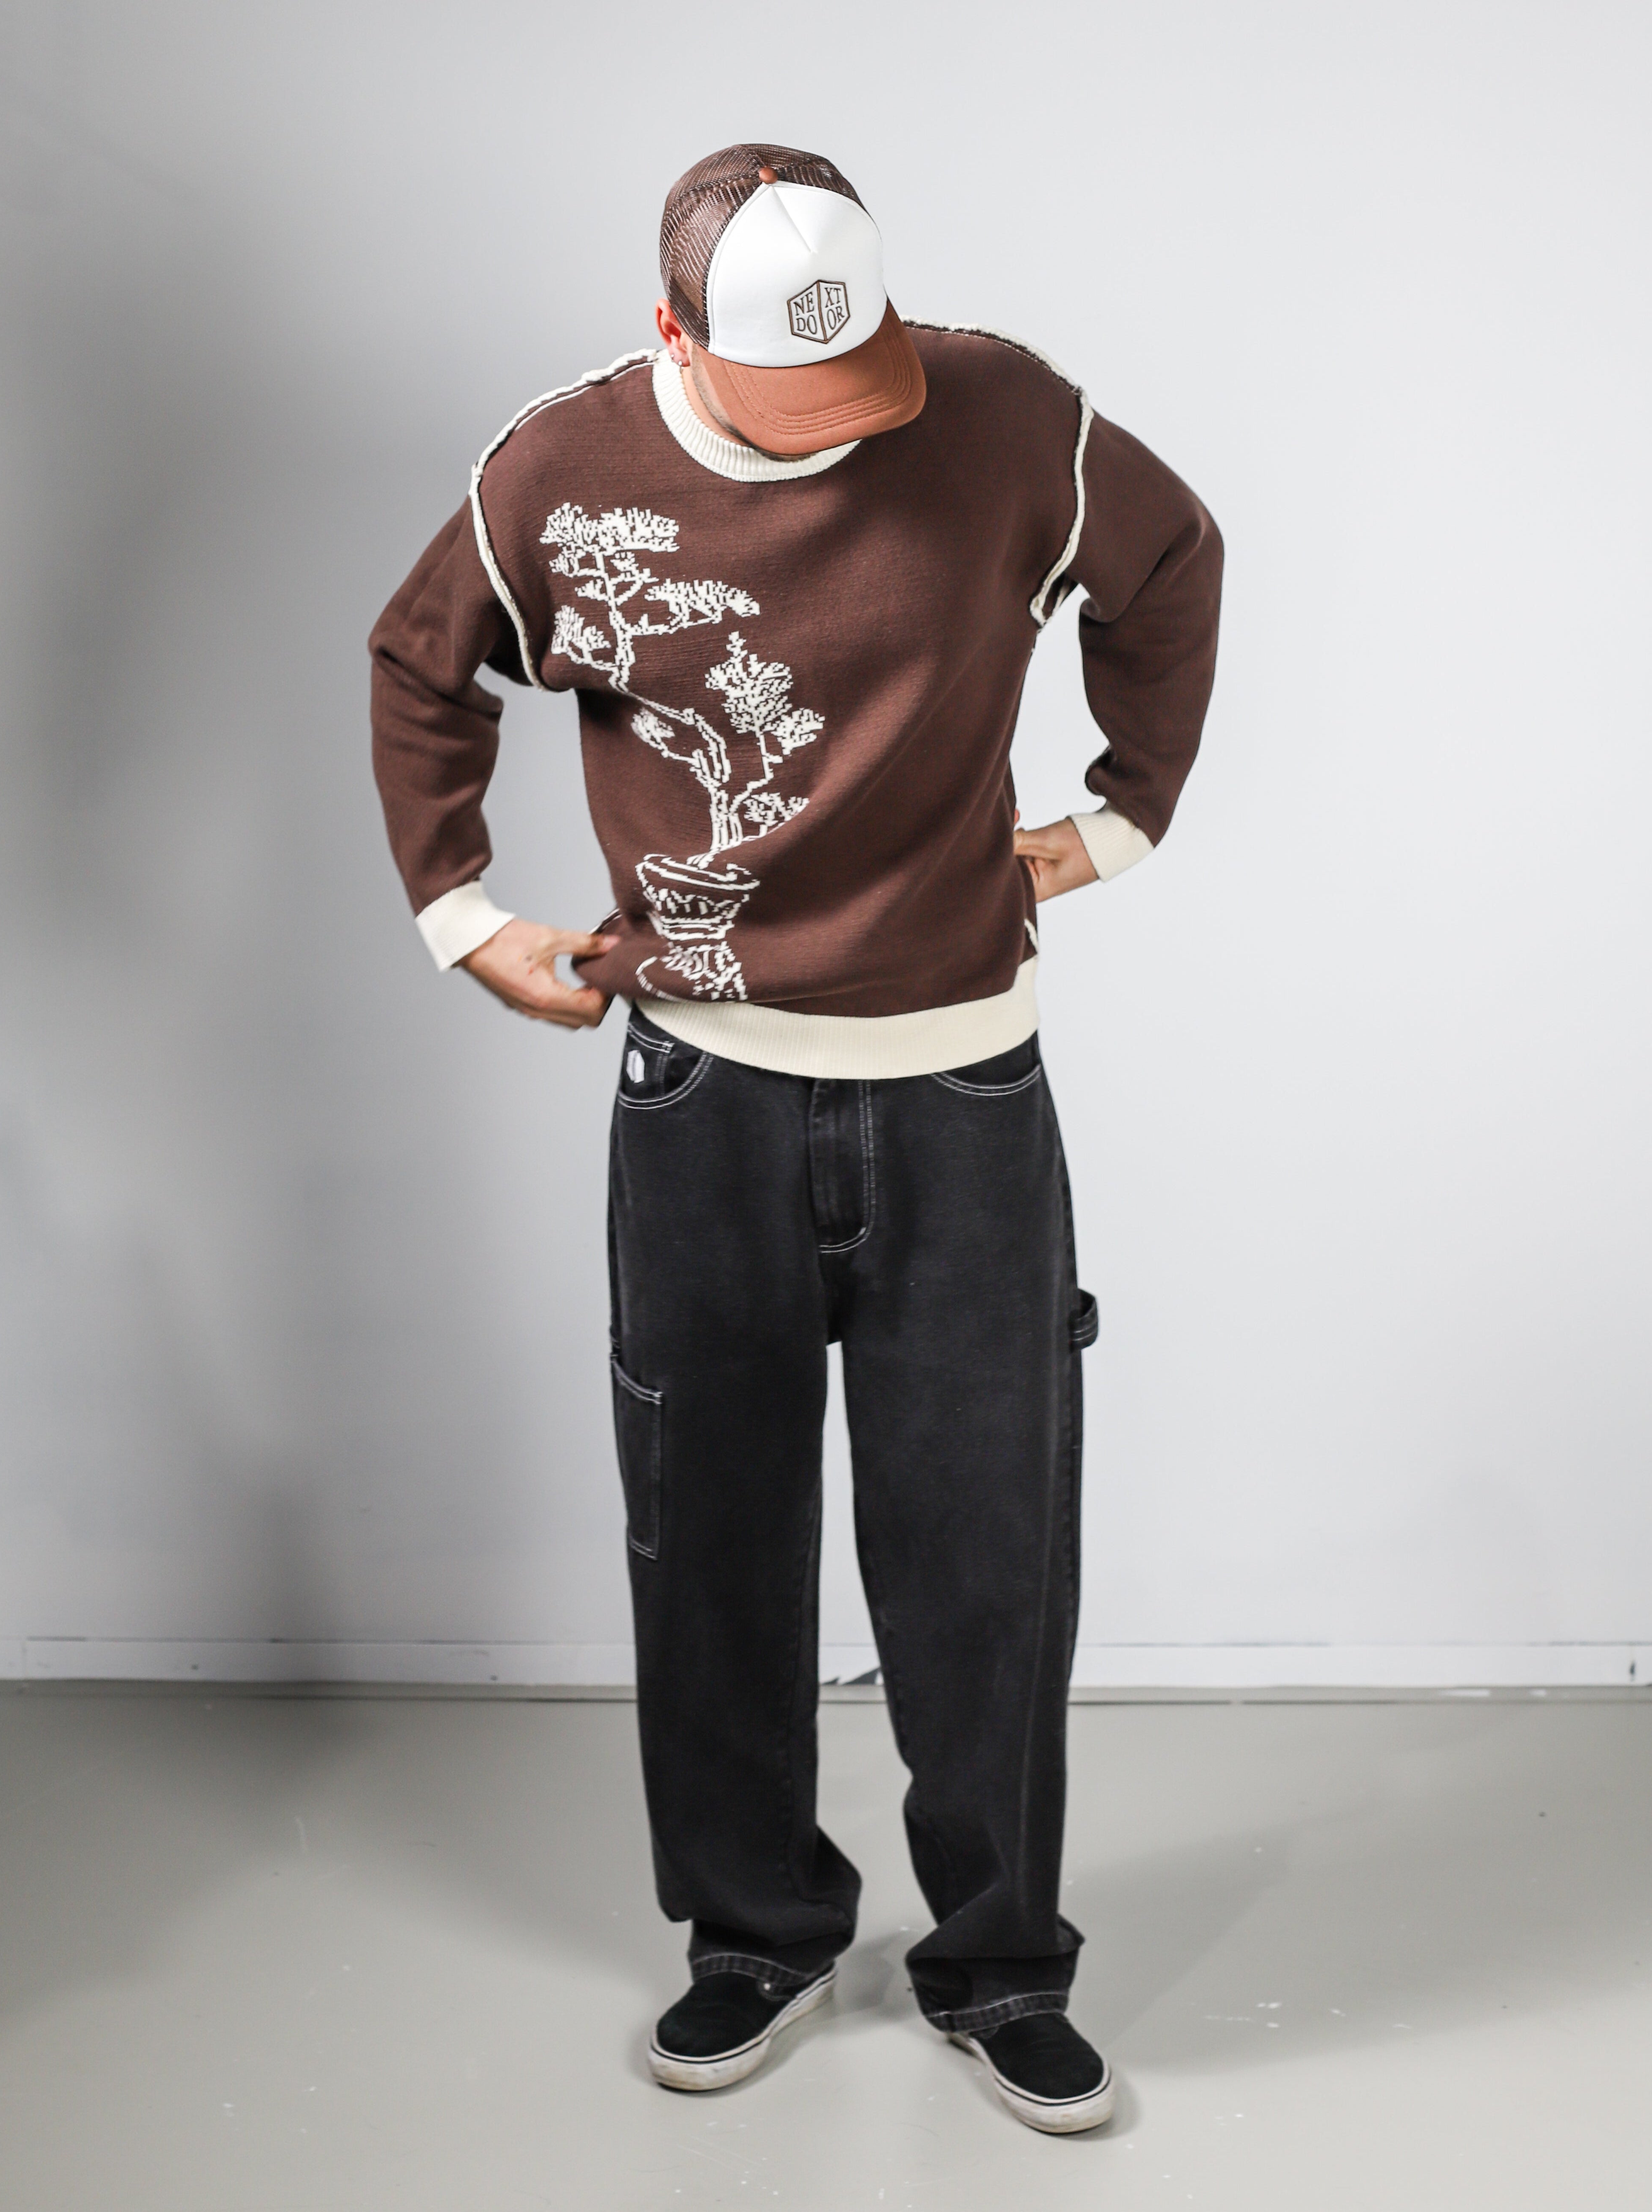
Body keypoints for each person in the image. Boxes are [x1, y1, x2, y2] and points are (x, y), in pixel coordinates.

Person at [370, 143, 1221, 2136]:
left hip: (963, 1084)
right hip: (702, 1087)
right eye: (786, 395)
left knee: (987, 1552)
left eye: (860, 381)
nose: (838, 432)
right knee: (711, 1537)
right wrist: (463, 915)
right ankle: (752, 1930)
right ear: (673, 335)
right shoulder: (558, 472)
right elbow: (422, 660)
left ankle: (1000, 1960)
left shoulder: (1001, 413)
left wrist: (1118, 817)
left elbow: (1170, 560)